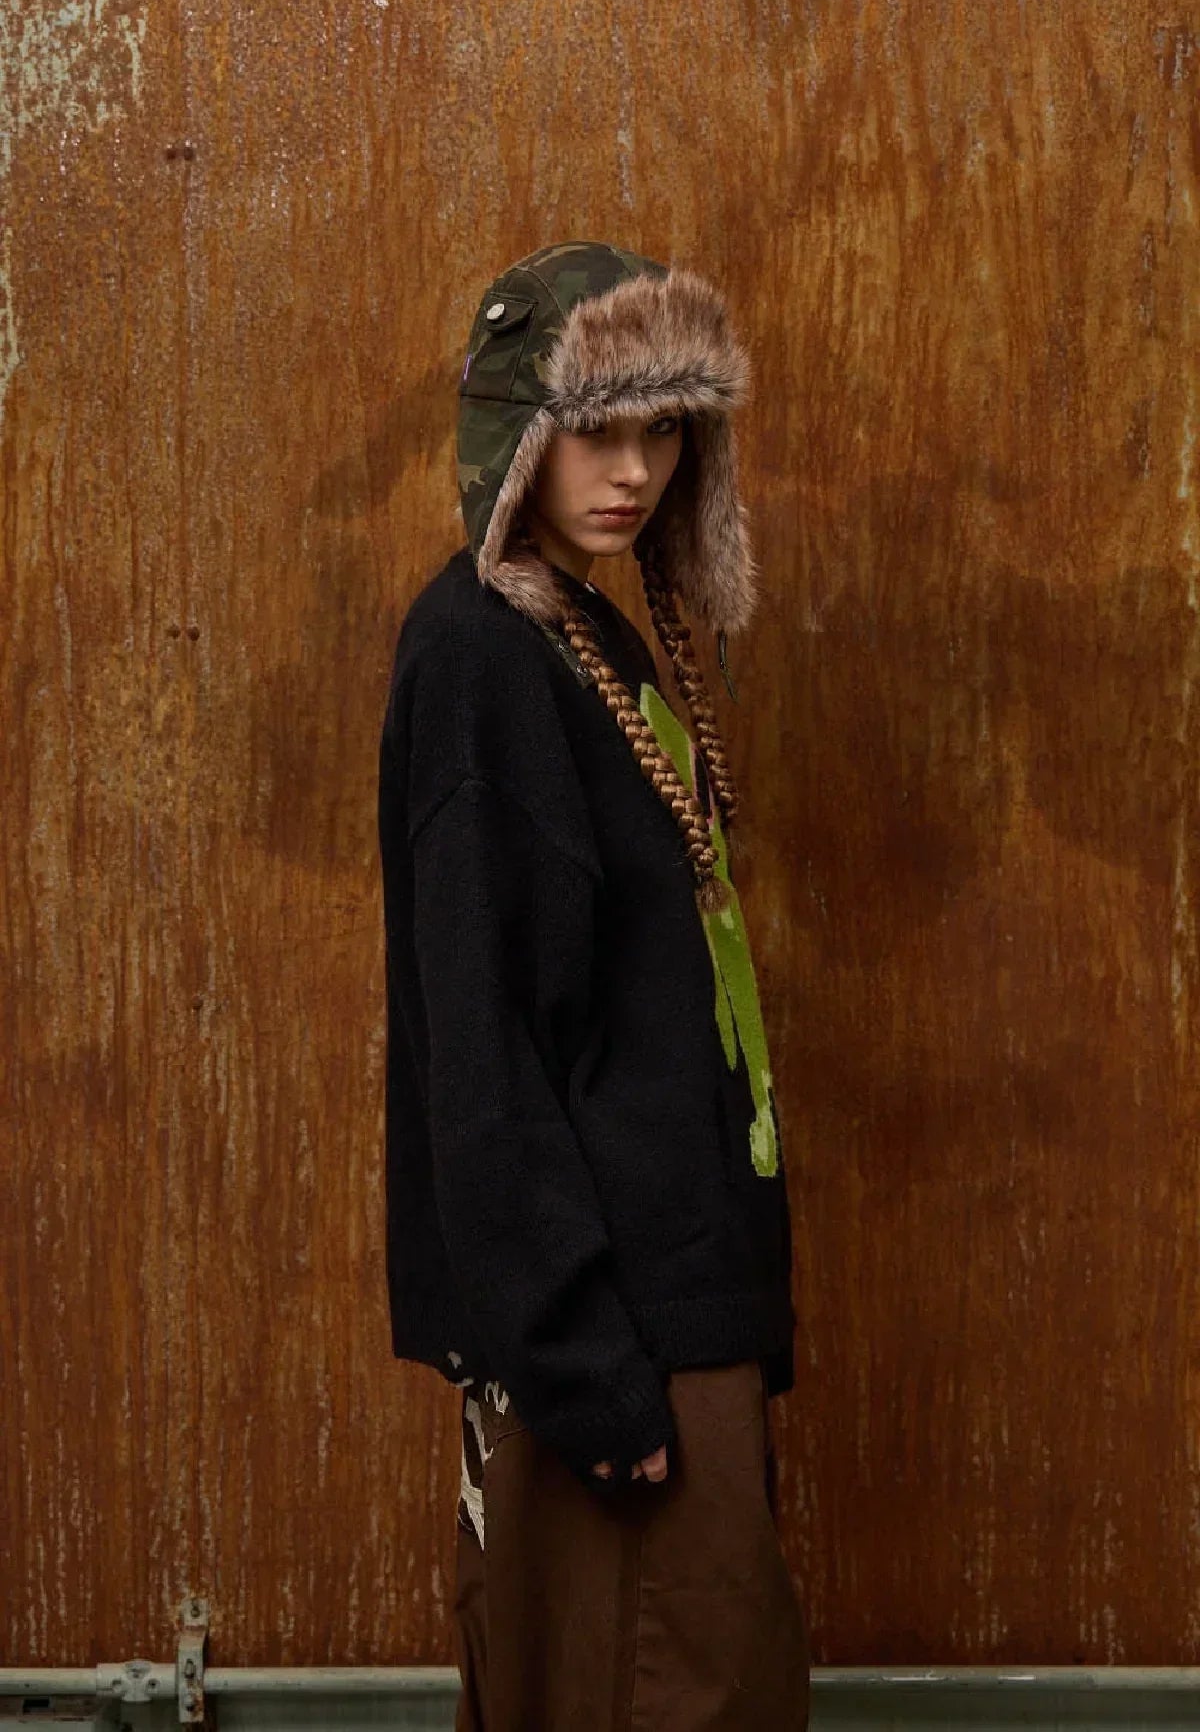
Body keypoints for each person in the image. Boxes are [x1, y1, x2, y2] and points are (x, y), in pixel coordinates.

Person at [377, 240, 809, 1729]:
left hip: (667, 1315)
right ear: (518, 431)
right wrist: (582, 1363)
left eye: (667, 429)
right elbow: (479, 1054)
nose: (634, 472)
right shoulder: (478, 660)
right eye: (596, 429)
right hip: (611, 1349)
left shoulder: (583, 629)